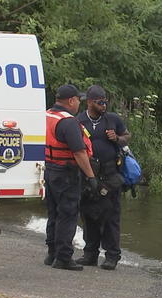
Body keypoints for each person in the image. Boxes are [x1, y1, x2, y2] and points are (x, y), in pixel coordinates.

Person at [76, 85, 131, 270]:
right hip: (88, 174)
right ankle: (90, 254)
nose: (104, 105)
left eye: (105, 101)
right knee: (89, 215)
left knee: (110, 217)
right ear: (90, 102)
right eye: (100, 102)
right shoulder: (79, 120)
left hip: (109, 174)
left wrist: (116, 138)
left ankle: (112, 256)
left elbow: (127, 137)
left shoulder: (112, 119)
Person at [44, 84, 97, 271]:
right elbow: (80, 153)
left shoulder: (47, 115)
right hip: (66, 173)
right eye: (78, 100)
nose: (79, 105)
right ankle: (64, 257)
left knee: (54, 213)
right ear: (71, 101)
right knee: (67, 215)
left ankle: (52, 253)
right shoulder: (68, 122)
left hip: (49, 170)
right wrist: (91, 177)